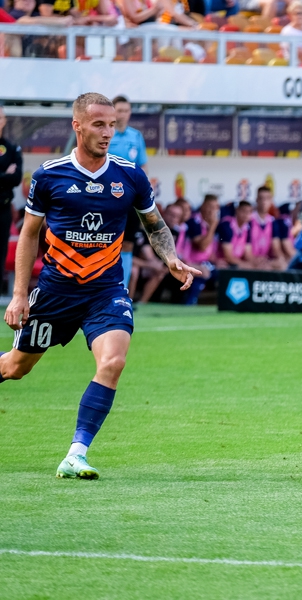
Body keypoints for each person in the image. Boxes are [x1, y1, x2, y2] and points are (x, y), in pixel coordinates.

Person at [0, 93, 200, 479]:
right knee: (15, 367)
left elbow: (154, 224)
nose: (108, 132)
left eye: (111, 125)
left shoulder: (130, 175)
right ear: (77, 126)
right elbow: (28, 235)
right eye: (99, 125)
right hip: (56, 292)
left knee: (113, 362)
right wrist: (20, 295)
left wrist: (171, 258)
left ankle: (76, 454)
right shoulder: (50, 175)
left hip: (106, 291)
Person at [108, 96, 150, 291]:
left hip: (130, 199)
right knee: (107, 243)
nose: (123, 114)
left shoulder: (136, 136)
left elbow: (143, 166)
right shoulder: (106, 135)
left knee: (128, 245)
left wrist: (142, 192)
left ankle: (121, 291)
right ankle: (105, 290)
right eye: (119, 110)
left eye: (126, 111)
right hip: (108, 198)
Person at [0, 106, 23, 293]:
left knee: (0, 254)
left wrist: (8, 176)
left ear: (4, 120)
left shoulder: (12, 148)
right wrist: (4, 174)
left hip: (3, 209)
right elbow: (9, 177)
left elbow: (16, 178)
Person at [248, 185, 288, 271]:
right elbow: (246, 249)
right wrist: (256, 260)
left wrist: (281, 259)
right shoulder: (249, 220)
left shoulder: (272, 221)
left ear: (271, 201)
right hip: (251, 260)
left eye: (267, 198)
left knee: (282, 264)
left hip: (266, 260)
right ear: (256, 200)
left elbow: (276, 248)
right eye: (261, 198)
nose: (264, 202)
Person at [217, 200, 254, 269]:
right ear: (237, 210)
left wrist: (257, 262)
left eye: (249, 212)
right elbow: (228, 257)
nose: (246, 214)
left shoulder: (247, 227)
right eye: (244, 211)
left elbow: (248, 255)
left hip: (237, 262)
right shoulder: (227, 225)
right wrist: (247, 265)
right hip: (222, 263)